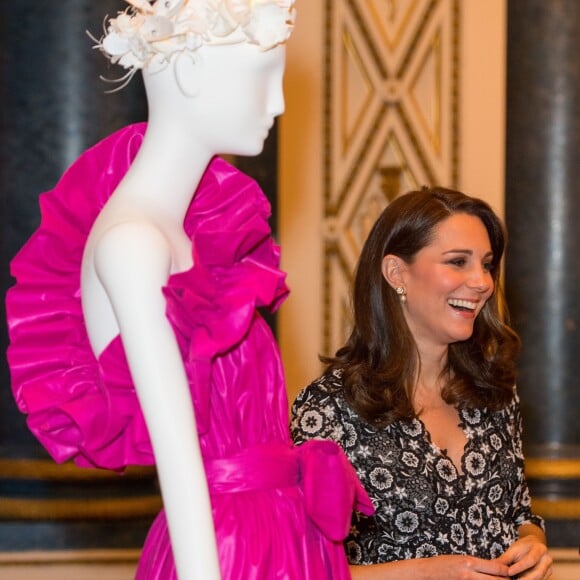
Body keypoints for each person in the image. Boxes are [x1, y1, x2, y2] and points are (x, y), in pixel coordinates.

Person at [5, 1, 373, 579]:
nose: (277, 103)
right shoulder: (133, 245)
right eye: (262, 78)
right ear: (189, 72)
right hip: (233, 552)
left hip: (280, 534)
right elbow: (181, 471)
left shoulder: (191, 233)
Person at [291, 187, 553, 579]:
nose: (482, 281)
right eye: (457, 262)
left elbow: (518, 512)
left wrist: (533, 544)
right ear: (397, 273)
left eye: (486, 264)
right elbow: (302, 567)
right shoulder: (329, 409)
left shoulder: (493, 390)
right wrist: (426, 573)